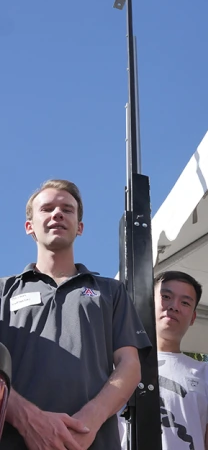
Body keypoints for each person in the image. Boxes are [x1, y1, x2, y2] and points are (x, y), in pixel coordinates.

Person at [0, 179, 151, 450]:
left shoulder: (111, 291)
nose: (57, 213)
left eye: (67, 209)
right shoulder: (3, 291)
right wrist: (27, 419)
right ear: (29, 227)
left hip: (92, 442)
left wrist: (88, 421)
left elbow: (130, 366)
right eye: (46, 209)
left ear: (80, 227)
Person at [120, 270, 208, 450]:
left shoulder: (206, 374)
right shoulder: (117, 365)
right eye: (166, 296)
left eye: (185, 302)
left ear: (193, 317)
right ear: (147, 303)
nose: (174, 306)